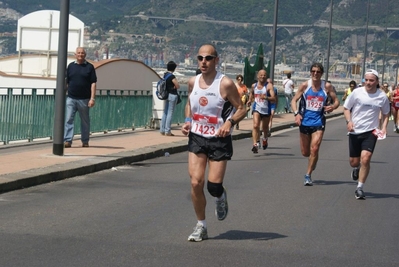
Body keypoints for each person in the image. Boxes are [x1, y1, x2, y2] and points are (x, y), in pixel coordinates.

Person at [181, 44, 247, 242]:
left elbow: (242, 108)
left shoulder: (225, 84)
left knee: (213, 186)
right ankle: (201, 225)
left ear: (216, 60)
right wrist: (187, 121)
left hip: (219, 139)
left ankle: (220, 196)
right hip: (197, 137)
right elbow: (188, 104)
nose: (203, 62)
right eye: (200, 58)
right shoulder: (193, 82)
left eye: (208, 58)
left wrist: (229, 122)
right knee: (195, 182)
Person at [343, 69, 390, 199]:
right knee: (354, 162)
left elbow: (386, 113)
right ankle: (356, 168)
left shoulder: (382, 96)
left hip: (371, 131)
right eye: (366, 80)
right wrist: (349, 121)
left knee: (366, 158)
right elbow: (346, 108)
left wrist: (384, 128)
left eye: (371, 80)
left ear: (377, 82)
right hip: (355, 130)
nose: (368, 83)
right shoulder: (357, 93)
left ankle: (360, 187)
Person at [290, 62, 339, 186]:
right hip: (304, 121)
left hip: (319, 121)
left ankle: (308, 175)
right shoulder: (305, 85)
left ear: (321, 73)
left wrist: (332, 107)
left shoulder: (327, 86)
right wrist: (296, 114)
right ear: (310, 72)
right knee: (305, 153)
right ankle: (314, 158)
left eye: (318, 72)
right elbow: (294, 100)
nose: (315, 74)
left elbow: (337, 101)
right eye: (313, 71)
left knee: (315, 148)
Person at [64, 47, 97, 148]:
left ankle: (85, 141)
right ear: (75, 54)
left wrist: (92, 98)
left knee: (85, 121)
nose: (80, 55)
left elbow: (93, 83)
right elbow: (66, 82)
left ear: (85, 55)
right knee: (68, 119)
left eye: (82, 53)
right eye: (78, 53)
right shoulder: (70, 66)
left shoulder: (90, 67)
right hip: (71, 98)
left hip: (84, 99)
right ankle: (67, 141)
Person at [247, 69, 275, 153]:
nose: (262, 76)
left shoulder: (269, 86)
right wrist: (249, 100)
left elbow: (273, 98)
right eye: (261, 75)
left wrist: (266, 97)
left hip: (266, 109)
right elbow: (252, 93)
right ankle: (255, 144)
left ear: (266, 76)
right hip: (257, 108)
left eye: (264, 75)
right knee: (255, 126)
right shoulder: (254, 85)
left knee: (264, 128)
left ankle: (265, 138)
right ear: (257, 76)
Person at [160, 61, 180, 136]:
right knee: (170, 113)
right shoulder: (172, 76)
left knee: (165, 112)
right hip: (172, 95)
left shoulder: (165, 75)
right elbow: (177, 86)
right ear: (174, 68)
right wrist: (175, 86)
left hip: (166, 95)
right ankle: (167, 131)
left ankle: (162, 130)